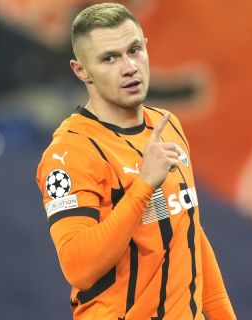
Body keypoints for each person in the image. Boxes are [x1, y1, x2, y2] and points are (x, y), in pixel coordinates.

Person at [35, 3, 237, 319]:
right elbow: (79, 267)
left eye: (135, 50)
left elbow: (189, 234)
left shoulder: (167, 125)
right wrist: (143, 186)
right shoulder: (71, 151)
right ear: (81, 70)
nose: (129, 67)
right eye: (109, 58)